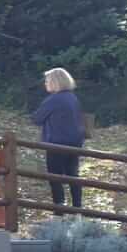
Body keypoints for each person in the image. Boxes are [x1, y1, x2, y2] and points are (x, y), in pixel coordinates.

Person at [32, 67, 85, 208]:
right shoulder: (72, 97)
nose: (45, 83)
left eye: (47, 80)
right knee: (73, 175)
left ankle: (59, 209)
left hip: (57, 142)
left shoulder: (54, 99)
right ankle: (78, 208)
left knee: (54, 176)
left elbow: (37, 118)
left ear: (55, 82)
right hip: (75, 142)